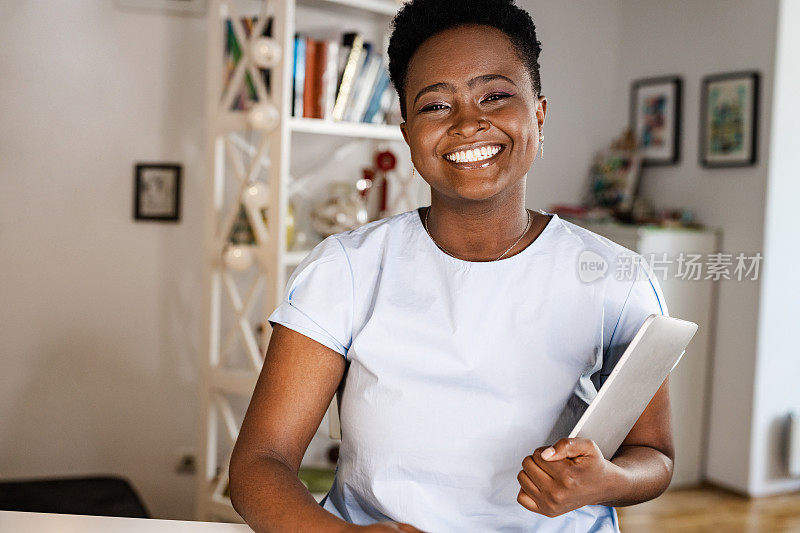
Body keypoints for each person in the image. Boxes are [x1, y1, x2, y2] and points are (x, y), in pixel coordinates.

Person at [228, 0, 674, 531]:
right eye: (436, 106)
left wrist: (609, 481)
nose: (468, 123)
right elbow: (260, 464)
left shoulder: (614, 277)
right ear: (408, 132)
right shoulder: (346, 270)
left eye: (496, 95)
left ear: (539, 112)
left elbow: (655, 455)